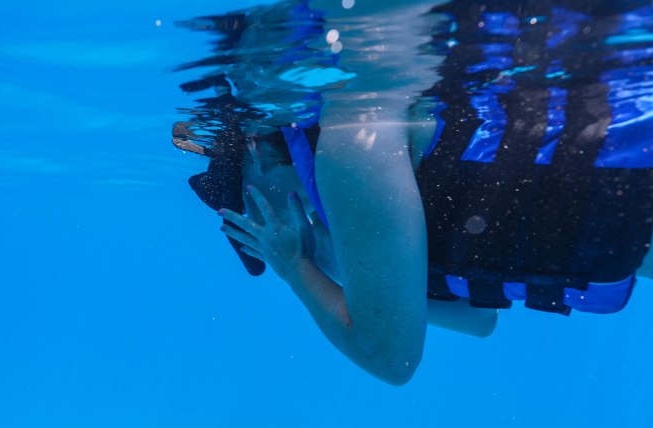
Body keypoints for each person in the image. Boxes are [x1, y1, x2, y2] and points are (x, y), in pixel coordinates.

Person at [174, 0, 653, 385]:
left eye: (250, 212)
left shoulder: (348, 142)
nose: (266, 227)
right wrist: (326, 259)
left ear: (254, 153)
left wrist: (294, 267)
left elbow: (391, 360)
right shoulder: (339, 186)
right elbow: (477, 321)